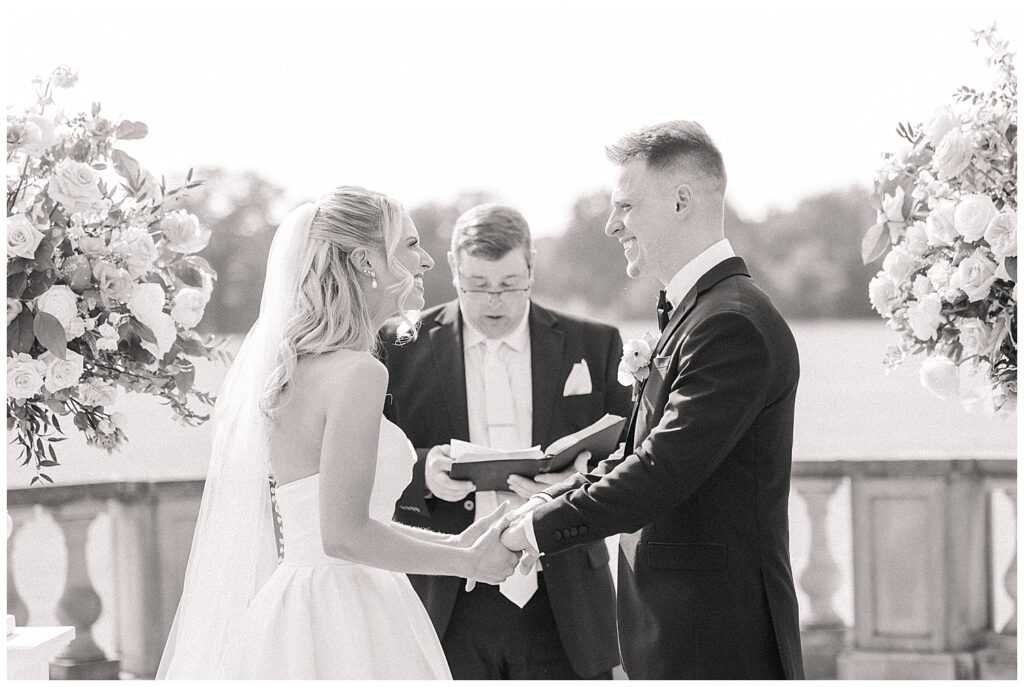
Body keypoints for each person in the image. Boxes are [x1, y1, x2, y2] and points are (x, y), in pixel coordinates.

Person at [157, 186, 521, 679]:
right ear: (367, 260)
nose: (427, 260)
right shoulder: (358, 373)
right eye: (411, 245)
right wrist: (469, 565)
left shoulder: (296, 367)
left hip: (299, 605)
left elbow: (333, 524)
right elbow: (345, 536)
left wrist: (458, 545)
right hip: (346, 613)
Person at [500, 121, 806, 679]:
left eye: (626, 206)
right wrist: (541, 505)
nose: (613, 224)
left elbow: (661, 470)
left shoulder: (731, 323)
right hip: (675, 631)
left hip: (718, 639)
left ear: (681, 200)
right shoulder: (699, 313)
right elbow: (633, 452)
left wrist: (538, 530)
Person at [381, 204, 630, 679]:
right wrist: (423, 471)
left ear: (531, 267)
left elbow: (631, 453)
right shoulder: (398, 348)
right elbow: (365, 456)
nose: (493, 301)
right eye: (477, 285)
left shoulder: (595, 345)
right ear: (453, 268)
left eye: (509, 284)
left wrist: (578, 480)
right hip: (444, 598)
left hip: (565, 599)